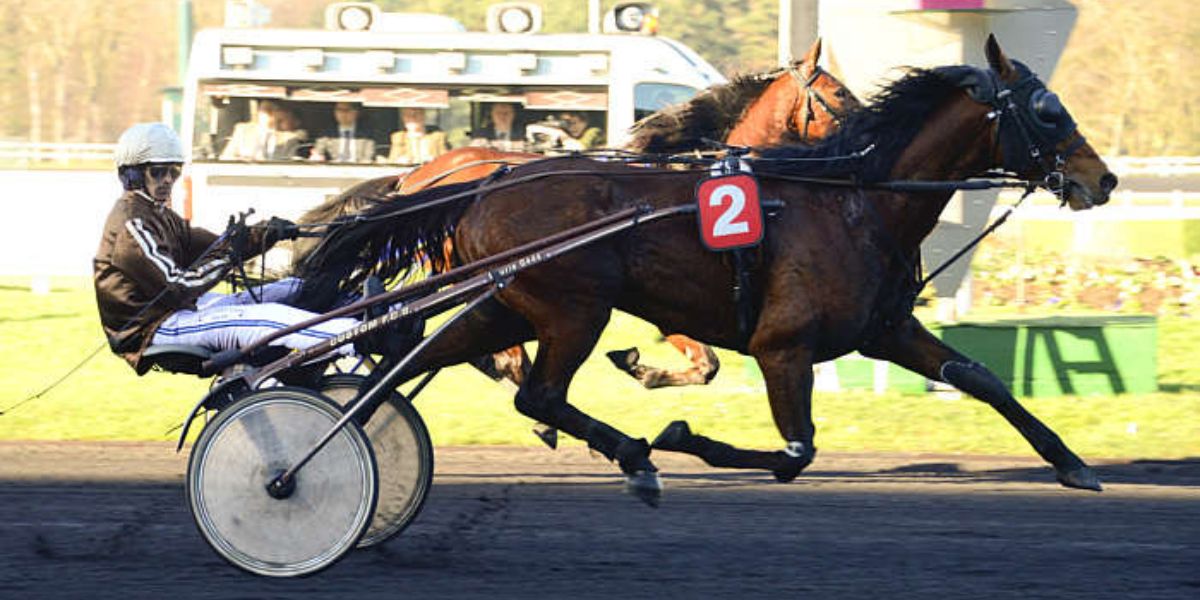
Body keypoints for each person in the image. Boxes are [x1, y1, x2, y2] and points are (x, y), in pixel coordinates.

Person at [94, 123, 385, 375]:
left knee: (290, 287)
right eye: (158, 172)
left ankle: (372, 310)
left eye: (174, 171)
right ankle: (358, 337)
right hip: (155, 329)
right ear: (132, 174)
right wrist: (230, 255)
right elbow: (179, 285)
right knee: (265, 317)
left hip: (181, 311)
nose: (168, 180)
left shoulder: (157, 214)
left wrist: (264, 234)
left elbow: (215, 245)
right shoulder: (132, 224)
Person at [219, 99, 304, 161]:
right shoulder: (243, 130)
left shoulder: (289, 137)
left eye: (271, 111)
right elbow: (225, 158)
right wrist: (242, 161)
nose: (266, 115)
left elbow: (291, 162)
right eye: (264, 110)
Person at [310, 102, 377, 163]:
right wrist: (317, 156)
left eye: (347, 110)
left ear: (356, 112)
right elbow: (318, 152)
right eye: (339, 110)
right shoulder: (327, 133)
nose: (342, 114)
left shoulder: (366, 133)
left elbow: (368, 156)